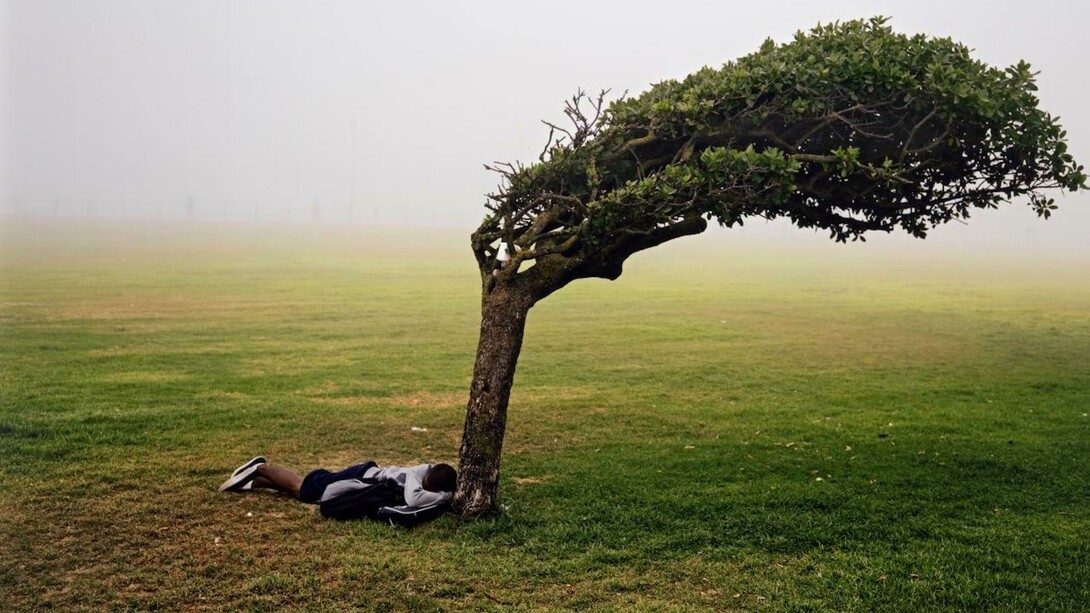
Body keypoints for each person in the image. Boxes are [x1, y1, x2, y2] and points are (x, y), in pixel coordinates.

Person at [218, 456, 457, 507]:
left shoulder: (429, 472)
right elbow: (414, 499)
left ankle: (256, 481)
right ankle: (259, 466)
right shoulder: (417, 477)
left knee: (307, 491)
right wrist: (446, 497)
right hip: (359, 477)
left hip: (364, 474)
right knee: (305, 487)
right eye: (429, 489)